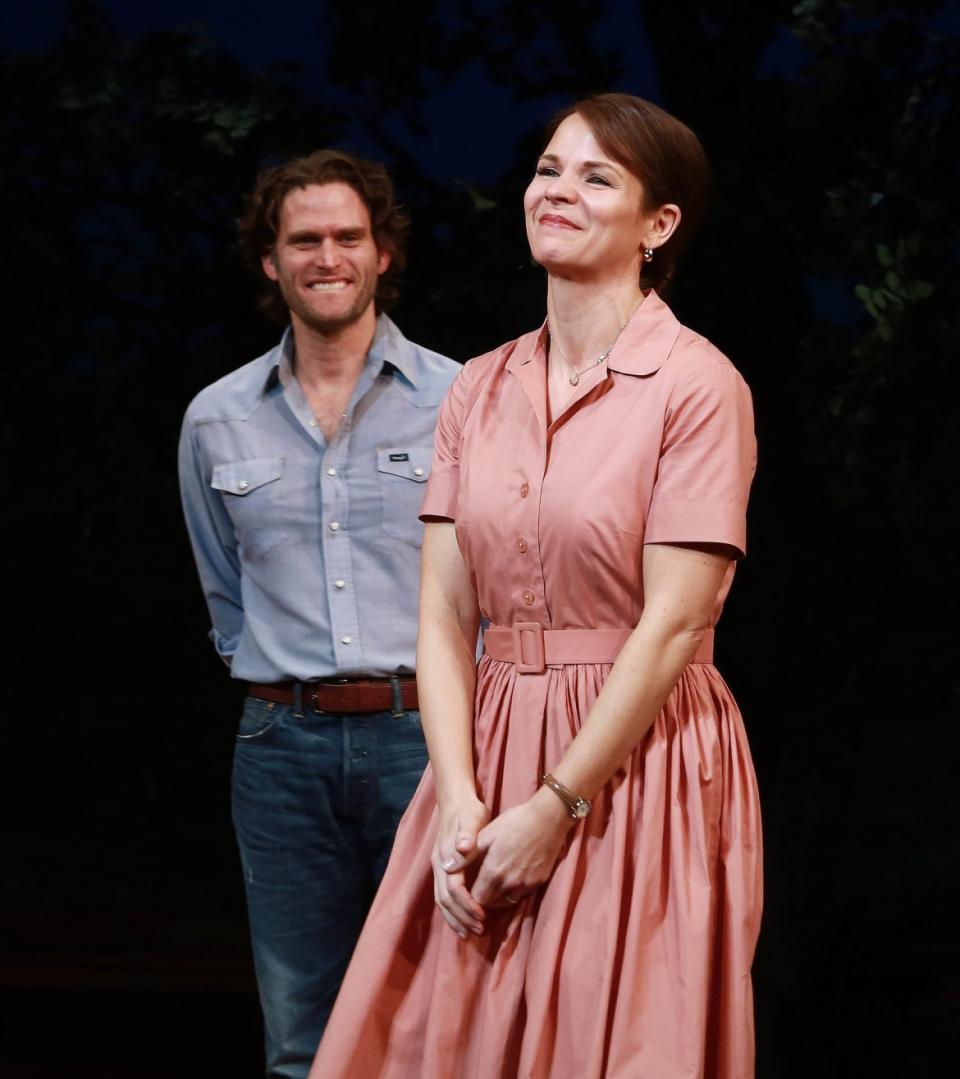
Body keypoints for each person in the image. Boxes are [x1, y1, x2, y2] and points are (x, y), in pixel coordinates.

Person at [310, 94, 763, 1079]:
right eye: (550, 168)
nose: (559, 190)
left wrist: (558, 801)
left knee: (612, 1033)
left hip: (634, 762)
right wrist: (464, 799)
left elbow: (675, 621)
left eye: (597, 177)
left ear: (660, 223)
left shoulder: (697, 384)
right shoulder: (479, 386)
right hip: (489, 747)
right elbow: (440, 611)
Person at [178, 149, 460, 1078]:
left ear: (384, 253)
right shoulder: (217, 417)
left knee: (436, 1020)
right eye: (304, 239)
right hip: (279, 748)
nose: (327, 255)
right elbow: (224, 590)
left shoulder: (463, 399)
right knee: (300, 1032)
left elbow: (501, 580)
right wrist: (270, 675)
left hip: (430, 742)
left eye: (349, 236)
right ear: (271, 261)